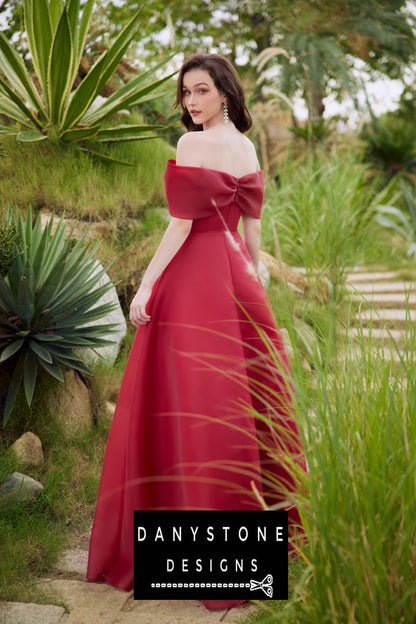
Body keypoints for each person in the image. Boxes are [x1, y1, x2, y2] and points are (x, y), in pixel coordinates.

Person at [86, 53, 305, 610]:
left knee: (185, 400)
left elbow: (181, 225)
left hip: (195, 281)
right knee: (240, 404)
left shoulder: (191, 146)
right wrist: (254, 292)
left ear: (225, 93)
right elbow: (253, 239)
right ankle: (247, 558)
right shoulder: (248, 149)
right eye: (186, 93)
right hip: (237, 279)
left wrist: (145, 286)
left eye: (201, 91)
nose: (191, 102)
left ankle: (186, 548)